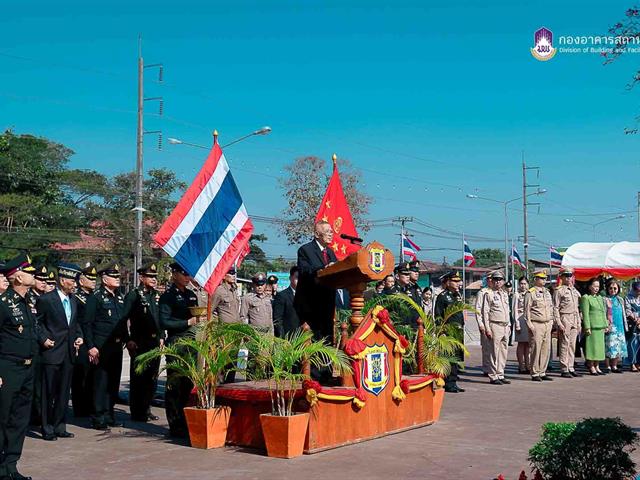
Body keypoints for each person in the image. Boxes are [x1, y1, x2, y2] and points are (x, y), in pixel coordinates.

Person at [0, 253, 38, 480]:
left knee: (20, 420)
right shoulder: (3, 304)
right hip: (8, 369)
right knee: (3, 418)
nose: (33, 275)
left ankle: (11, 467)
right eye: (29, 271)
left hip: (28, 369)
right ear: (17, 277)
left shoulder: (29, 302)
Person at [36, 262, 84, 441]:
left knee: (64, 392)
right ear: (63, 281)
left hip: (69, 352)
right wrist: (43, 339)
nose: (75, 284)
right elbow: (37, 323)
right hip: (51, 352)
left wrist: (79, 336)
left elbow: (75, 323)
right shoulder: (46, 299)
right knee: (48, 392)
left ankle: (59, 426)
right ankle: (47, 427)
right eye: (72, 280)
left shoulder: (73, 300)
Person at [84, 262, 128, 430]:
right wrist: (91, 346)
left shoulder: (118, 296)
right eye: (114, 276)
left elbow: (121, 322)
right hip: (101, 347)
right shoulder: (96, 297)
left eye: (118, 277)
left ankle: (109, 414)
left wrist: (127, 339)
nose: (117, 279)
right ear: (104, 279)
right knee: (100, 383)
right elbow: (87, 324)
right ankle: (98, 417)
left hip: (116, 347)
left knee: (113, 383)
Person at [159, 262, 199, 438]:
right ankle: (175, 424)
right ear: (174, 274)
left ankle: (186, 421)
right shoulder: (168, 296)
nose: (186, 277)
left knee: (187, 385)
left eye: (188, 274)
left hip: (190, 344)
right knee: (174, 386)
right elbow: (164, 322)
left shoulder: (191, 295)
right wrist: (186, 323)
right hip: (176, 343)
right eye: (183, 274)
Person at [123, 262, 163, 422]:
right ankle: (137, 411)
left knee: (151, 378)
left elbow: (158, 319)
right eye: (150, 277)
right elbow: (123, 318)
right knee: (139, 378)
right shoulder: (134, 295)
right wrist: (128, 339)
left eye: (155, 277)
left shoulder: (155, 295)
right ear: (141, 277)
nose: (154, 279)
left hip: (154, 342)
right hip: (139, 342)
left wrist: (161, 337)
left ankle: (147, 408)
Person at [293, 220, 337, 341]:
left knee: (327, 341)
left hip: (328, 304)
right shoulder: (305, 250)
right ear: (317, 234)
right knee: (312, 342)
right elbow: (305, 270)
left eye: (332, 231)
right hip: (310, 305)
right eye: (327, 231)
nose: (331, 234)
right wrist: (324, 269)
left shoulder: (331, 253)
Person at [71, 263, 97, 417]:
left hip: (92, 338)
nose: (93, 281)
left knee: (92, 376)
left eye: (95, 278)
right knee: (80, 375)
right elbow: (76, 321)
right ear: (81, 281)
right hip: (81, 340)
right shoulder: (77, 298)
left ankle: (89, 405)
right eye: (90, 278)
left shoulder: (93, 297)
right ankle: (80, 408)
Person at [434, 271, 465, 393]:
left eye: (459, 281)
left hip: (458, 331)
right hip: (448, 332)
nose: (458, 283)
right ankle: (448, 383)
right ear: (448, 282)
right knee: (448, 358)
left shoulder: (457, 295)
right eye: (455, 281)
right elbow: (438, 316)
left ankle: (453, 381)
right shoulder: (442, 297)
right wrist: (441, 331)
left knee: (456, 357)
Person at [524, 270, 555, 382]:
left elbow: (551, 308)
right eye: (541, 278)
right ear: (536, 279)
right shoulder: (530, 293)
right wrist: (529, 324)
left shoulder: (547, 292)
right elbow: (526, 310)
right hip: (536, 323)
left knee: (545, 349)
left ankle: (542, 371)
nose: (544, 280)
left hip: (547, 323)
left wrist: (551, 321)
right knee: (535, 348)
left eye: (545, 278)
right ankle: (535, 372)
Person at [481, 271, 511, 385]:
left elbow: (507, 311)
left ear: (503, 281)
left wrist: (509, 325)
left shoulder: (504, 294)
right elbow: (485, 312)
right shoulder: (488, 294)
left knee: (503, 351)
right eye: (495, 279)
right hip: (495, 325)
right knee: (494, 351)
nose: (498, 282)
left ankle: (500, 373)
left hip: (504, 325)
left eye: (500, 279)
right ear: (492, 281)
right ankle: (493, 375)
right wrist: (487, 328)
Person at [553, 268, 582, 378]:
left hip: (574, 317)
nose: (568, 278)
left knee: (572, 344)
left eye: (570, 276)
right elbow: (555, 307)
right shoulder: (559, 290)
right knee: (564, 344)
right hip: (565, 316)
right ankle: (564, 368)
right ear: (562, 277)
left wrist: (579, 322)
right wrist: (559, 322)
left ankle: (571, 366)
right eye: (566, 276)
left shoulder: (574, 290)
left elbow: (577, 308)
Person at [580, 277, 608, 375]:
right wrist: (587, 327)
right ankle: (591, 366)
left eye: (598, 286)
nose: (596, 288)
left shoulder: (600, 298)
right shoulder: (586, 298)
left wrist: (606, 324)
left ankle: (597, 366)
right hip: (592, 326)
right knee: (592, 348)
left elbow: (603, 312)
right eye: (594, 286)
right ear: (589, 287)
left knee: (599, 348)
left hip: (600, 326)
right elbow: (585, 314)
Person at [604, 280, 627, 373]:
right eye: (611, 288)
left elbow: (623, 313)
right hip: (610, 326)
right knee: (609, 346)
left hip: (620, 326)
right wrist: (606, 324)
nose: (613, 290)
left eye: (615, 288)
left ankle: (614, 366)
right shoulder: (605, 299)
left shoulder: (620, 299)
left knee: (618, 347)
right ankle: (607, 366)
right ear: (607, 289)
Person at [273, 266, 300, 338]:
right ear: (290, 278)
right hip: (289, 338)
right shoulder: (282, 296)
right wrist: (282, 338)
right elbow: (277, 319)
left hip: (305, 339)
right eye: (297, 277)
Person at [475, 276, 492, 376]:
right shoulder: (482, 292)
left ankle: (494, 367)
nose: (491, 280)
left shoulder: (497, 291)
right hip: (485, 323)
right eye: (489, 279)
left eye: (493, 279)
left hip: (495, 322)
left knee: (495, 348)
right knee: (486, 347)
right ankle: (486, 368)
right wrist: (480, 324)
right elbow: (478, 309)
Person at [513, 276, 531, 374]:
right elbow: (514, 310)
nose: (523, 286)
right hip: (520, 320)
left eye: (525, 284)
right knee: (521, 344)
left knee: (528, 344)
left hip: (528, 321)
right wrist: (517, 323)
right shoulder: (517, 295)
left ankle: (528, 365)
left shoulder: (530, 294)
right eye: (521, 284)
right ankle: (521, 366)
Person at [625, 281, 640, 371]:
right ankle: (632, 363)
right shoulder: (628, 297)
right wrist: (636, 319)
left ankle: (638, 363)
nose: (638, 292)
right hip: (632, 323)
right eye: (637, 290)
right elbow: (627, 310)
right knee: (632, 344)